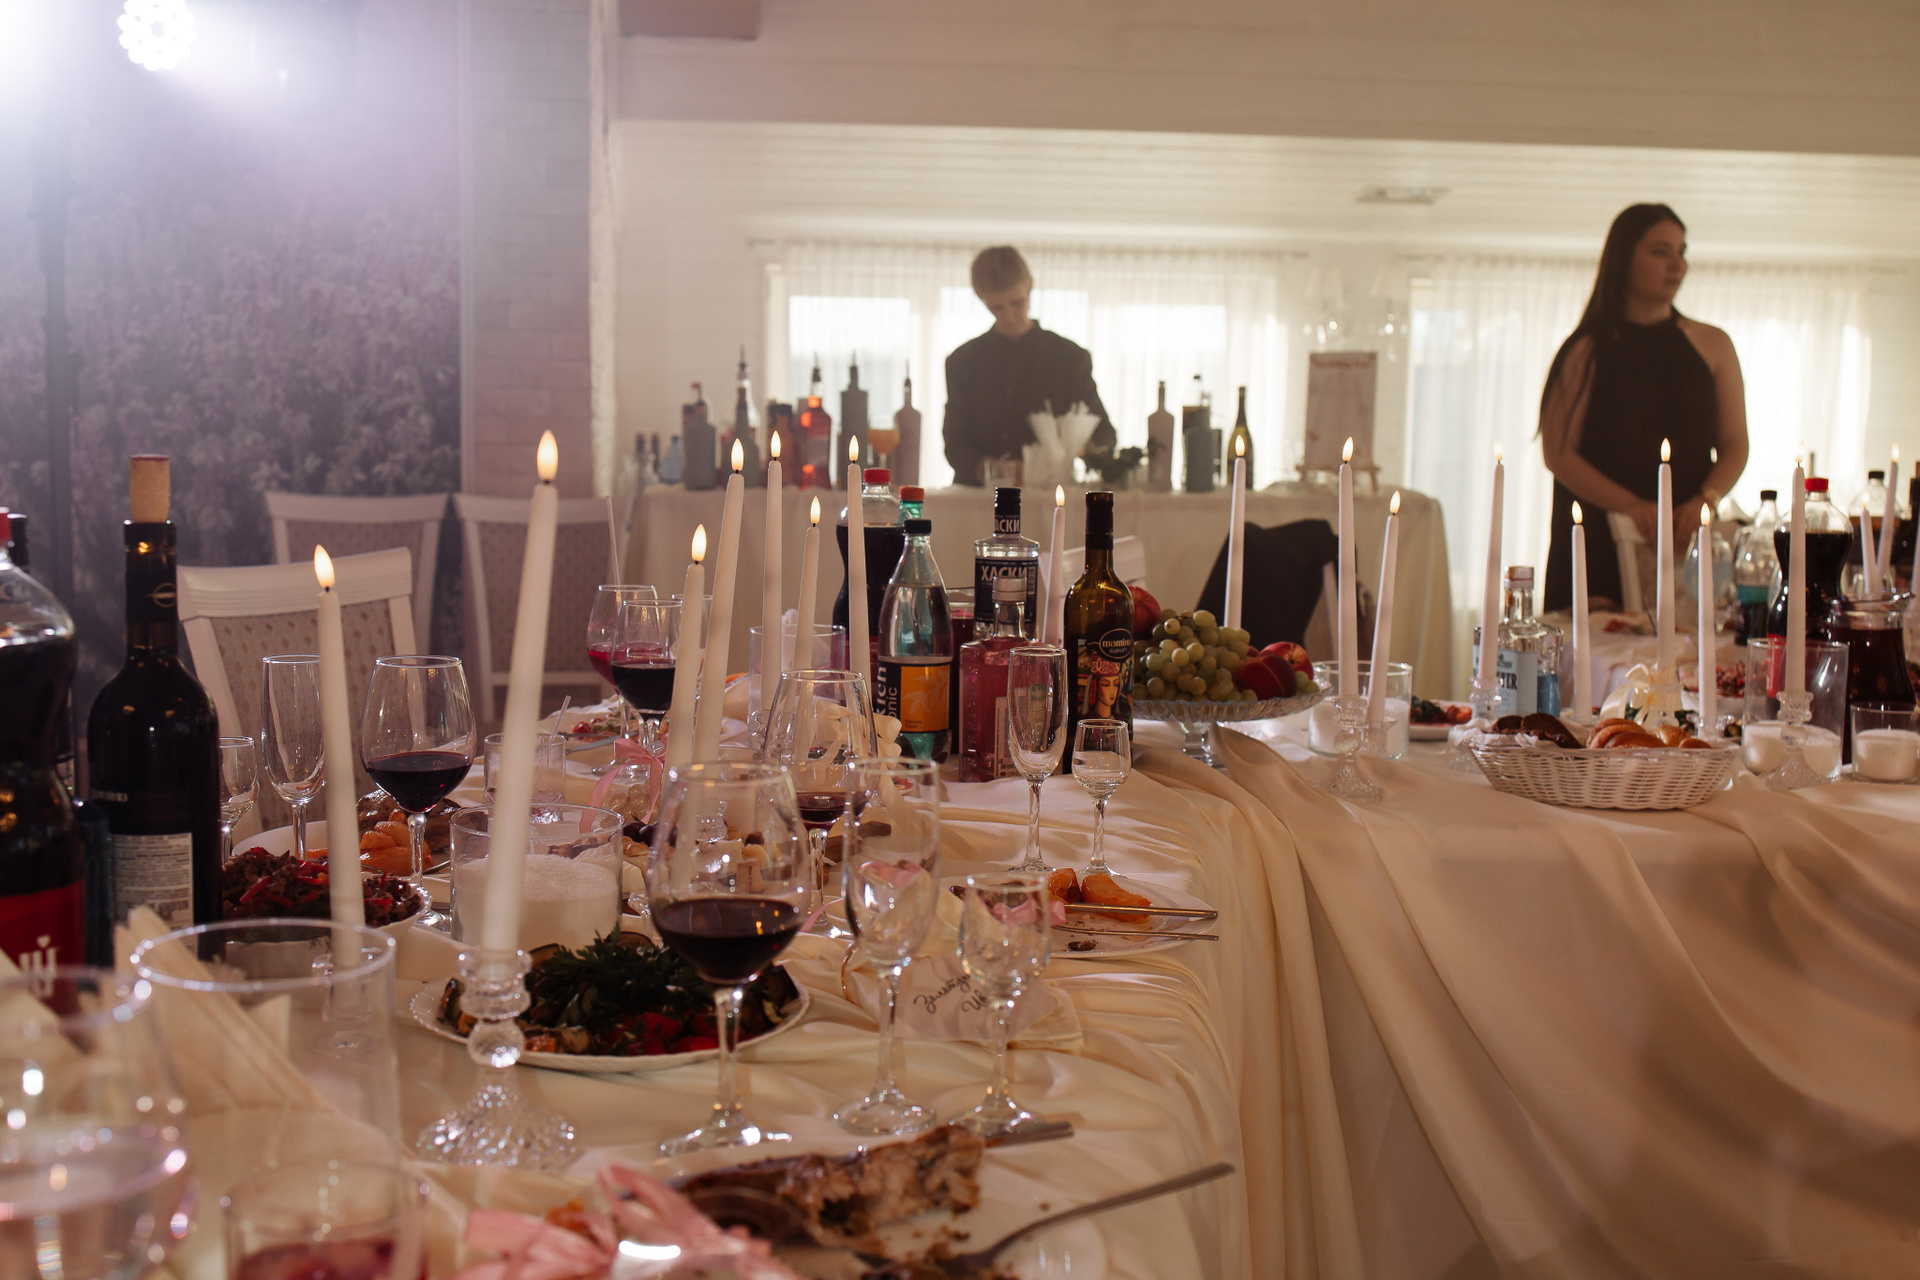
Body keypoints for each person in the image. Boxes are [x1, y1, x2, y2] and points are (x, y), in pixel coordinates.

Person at [1541, 203, 1749, 612]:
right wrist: (1633, 507)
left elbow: (1735, 443)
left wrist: (1705, 500)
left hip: (1682, 538)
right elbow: (1558, 453)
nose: (1677, 265)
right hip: (1595, 541)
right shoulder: (1585, 349)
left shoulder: (1713, 345)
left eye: (1681, 252)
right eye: (1660, 251)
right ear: (1624, 258)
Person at [943, 246, 1116, 486]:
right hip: (979, 495)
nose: (1009, 315)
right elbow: (954, 443)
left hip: (1050, 494)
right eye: (997, 307)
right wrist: (991, 469)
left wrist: (1080, 446)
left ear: (1030, 286)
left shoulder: (1070, 357)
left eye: (1017, 302)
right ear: (981, 298)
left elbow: (1104, 434)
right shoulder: (962, 361)